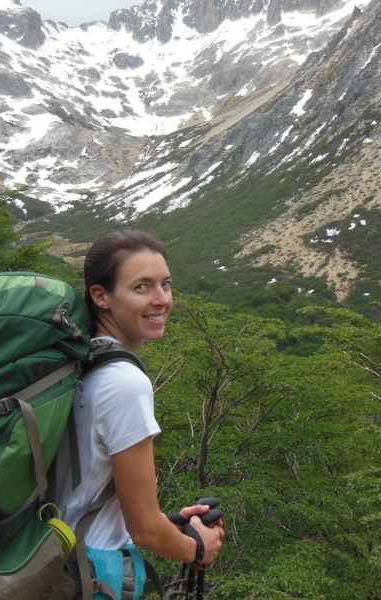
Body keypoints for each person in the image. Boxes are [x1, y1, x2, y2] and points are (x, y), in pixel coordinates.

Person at [48, 230, 225, 598]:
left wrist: (171, 524)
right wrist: (198, 548)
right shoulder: (124, 383)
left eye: (166, 284)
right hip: (93, 573)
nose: (162, 300)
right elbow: (144, 528)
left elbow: (84, 486)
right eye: (142, 287)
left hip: (51, 557)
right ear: (101, 296)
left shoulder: (77, 361)